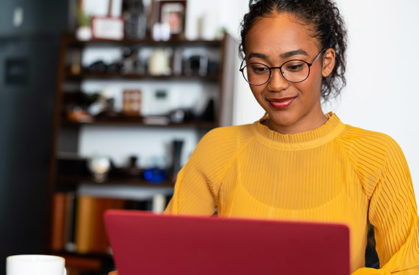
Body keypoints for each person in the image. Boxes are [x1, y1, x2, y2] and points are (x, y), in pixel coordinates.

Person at [109, 0, 419, 274]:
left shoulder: (377, 155)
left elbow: (408, 267)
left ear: (327, 62)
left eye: (294, 66)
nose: (276, 84)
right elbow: (164, 255)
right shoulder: (218, 148)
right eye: (259, 68)